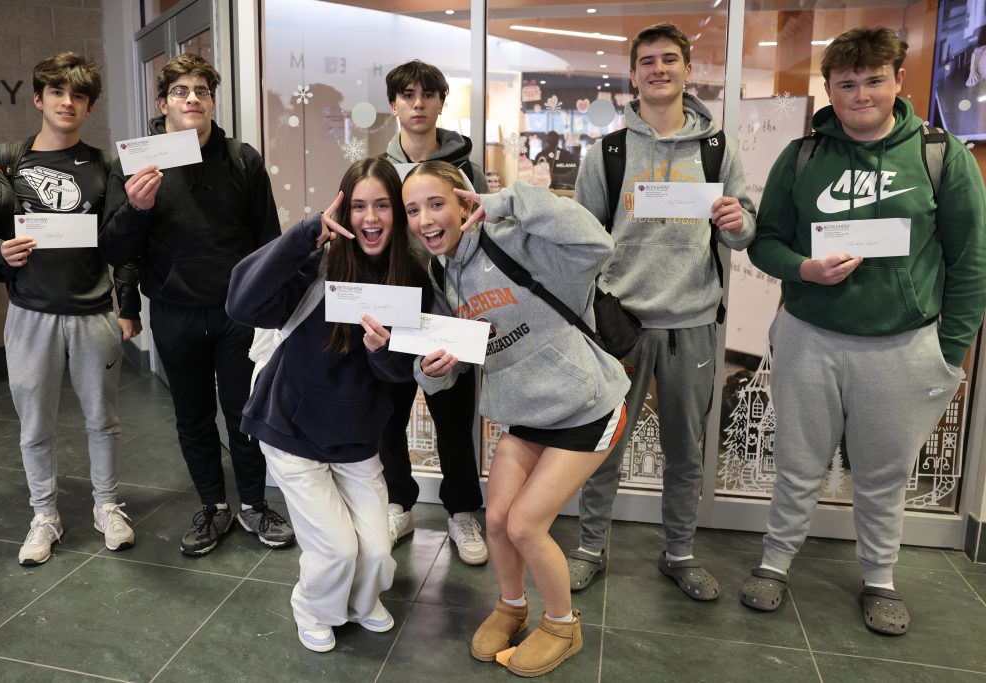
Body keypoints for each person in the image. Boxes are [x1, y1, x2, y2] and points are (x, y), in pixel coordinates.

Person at [742, 27, 986, 635]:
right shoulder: (802, 156)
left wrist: (948, 354)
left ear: (898, 80)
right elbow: (765, 240)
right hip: (808, 336)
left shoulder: (940, 156)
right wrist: (803, 268)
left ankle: (879, 578)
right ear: (829, 88)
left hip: (903, 346)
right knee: (797, 463)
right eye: (847, 83)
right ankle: (774, 564)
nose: (860, 94)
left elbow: (972, 262)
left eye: (874, 79)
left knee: (883, 473)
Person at [403, 160, 631, 676]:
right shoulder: (444, 273)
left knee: (527, 525)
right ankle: (511, 606)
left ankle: (561, 625)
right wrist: (431, 367)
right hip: (524, 413)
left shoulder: (515, 241)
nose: (425, 219)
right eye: (413, 210)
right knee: (500, 521)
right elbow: (447, 366)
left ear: (465, 202)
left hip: (586, 405)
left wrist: (512, 200)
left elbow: (598, 243)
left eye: (436, 203)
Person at [568, 22, 756, 599]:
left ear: (686, 70)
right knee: (604, 445)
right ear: (633, 74)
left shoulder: (717, 146)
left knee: (686, 449)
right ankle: (589, 549)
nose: (658, 69)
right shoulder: (610, 150)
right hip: (621, 324)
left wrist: (736, 222)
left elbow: (744, 229)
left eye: (669, 59)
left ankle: (679, 552)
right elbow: (581, 235)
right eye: (646, 61)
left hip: (693, 322)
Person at [227, 157, 430, 652]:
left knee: (379, 551)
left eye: (382, 205)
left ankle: (361, 603)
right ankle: (314, 606)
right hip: (292, 429)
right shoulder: (315, 267)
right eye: (358, 206)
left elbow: (404, 374)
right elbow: (240, 302)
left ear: (398, 214)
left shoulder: (411, 278)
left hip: (357, 436)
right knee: (336, 549)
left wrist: (383, 354)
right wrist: (303, 235)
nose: (370, 217)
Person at [100, 53, 294, 556]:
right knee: (192, 416)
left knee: (245, 413)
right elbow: (116, 249)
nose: (192, 99)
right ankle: (213, 505)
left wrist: (272, 308)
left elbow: (267, 241)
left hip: (238, 313)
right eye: (181, 91)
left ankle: (252, 503)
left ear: (212, 101)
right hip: (173, 311)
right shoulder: (137, 163)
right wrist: (137, 209)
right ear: (163, 102)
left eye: (202, 91)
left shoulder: (243, 159)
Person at [0, 52, 141, 565]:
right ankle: (45, 515)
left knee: (102, 420)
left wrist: (127, 305)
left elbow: (123, 246)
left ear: (88, 107)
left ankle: (107, 505)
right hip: (29, 314)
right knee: (35, 424)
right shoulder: (8, 159)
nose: (68, 102)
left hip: (93, 315)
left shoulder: (105, 165)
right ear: (39, 99)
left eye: (79, 95)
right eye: (58, 92)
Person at [379, 60, 487, 564]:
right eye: (407, 95)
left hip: (451, 315)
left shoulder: (465, 167)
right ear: (394, 104)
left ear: (442, 101)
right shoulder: (380, 171)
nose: (417, 104)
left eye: (427, 94)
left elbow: (485, 238)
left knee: (453, 418)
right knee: (388, 415)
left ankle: (462, 510)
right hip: (395, 310)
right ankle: (398, 501)